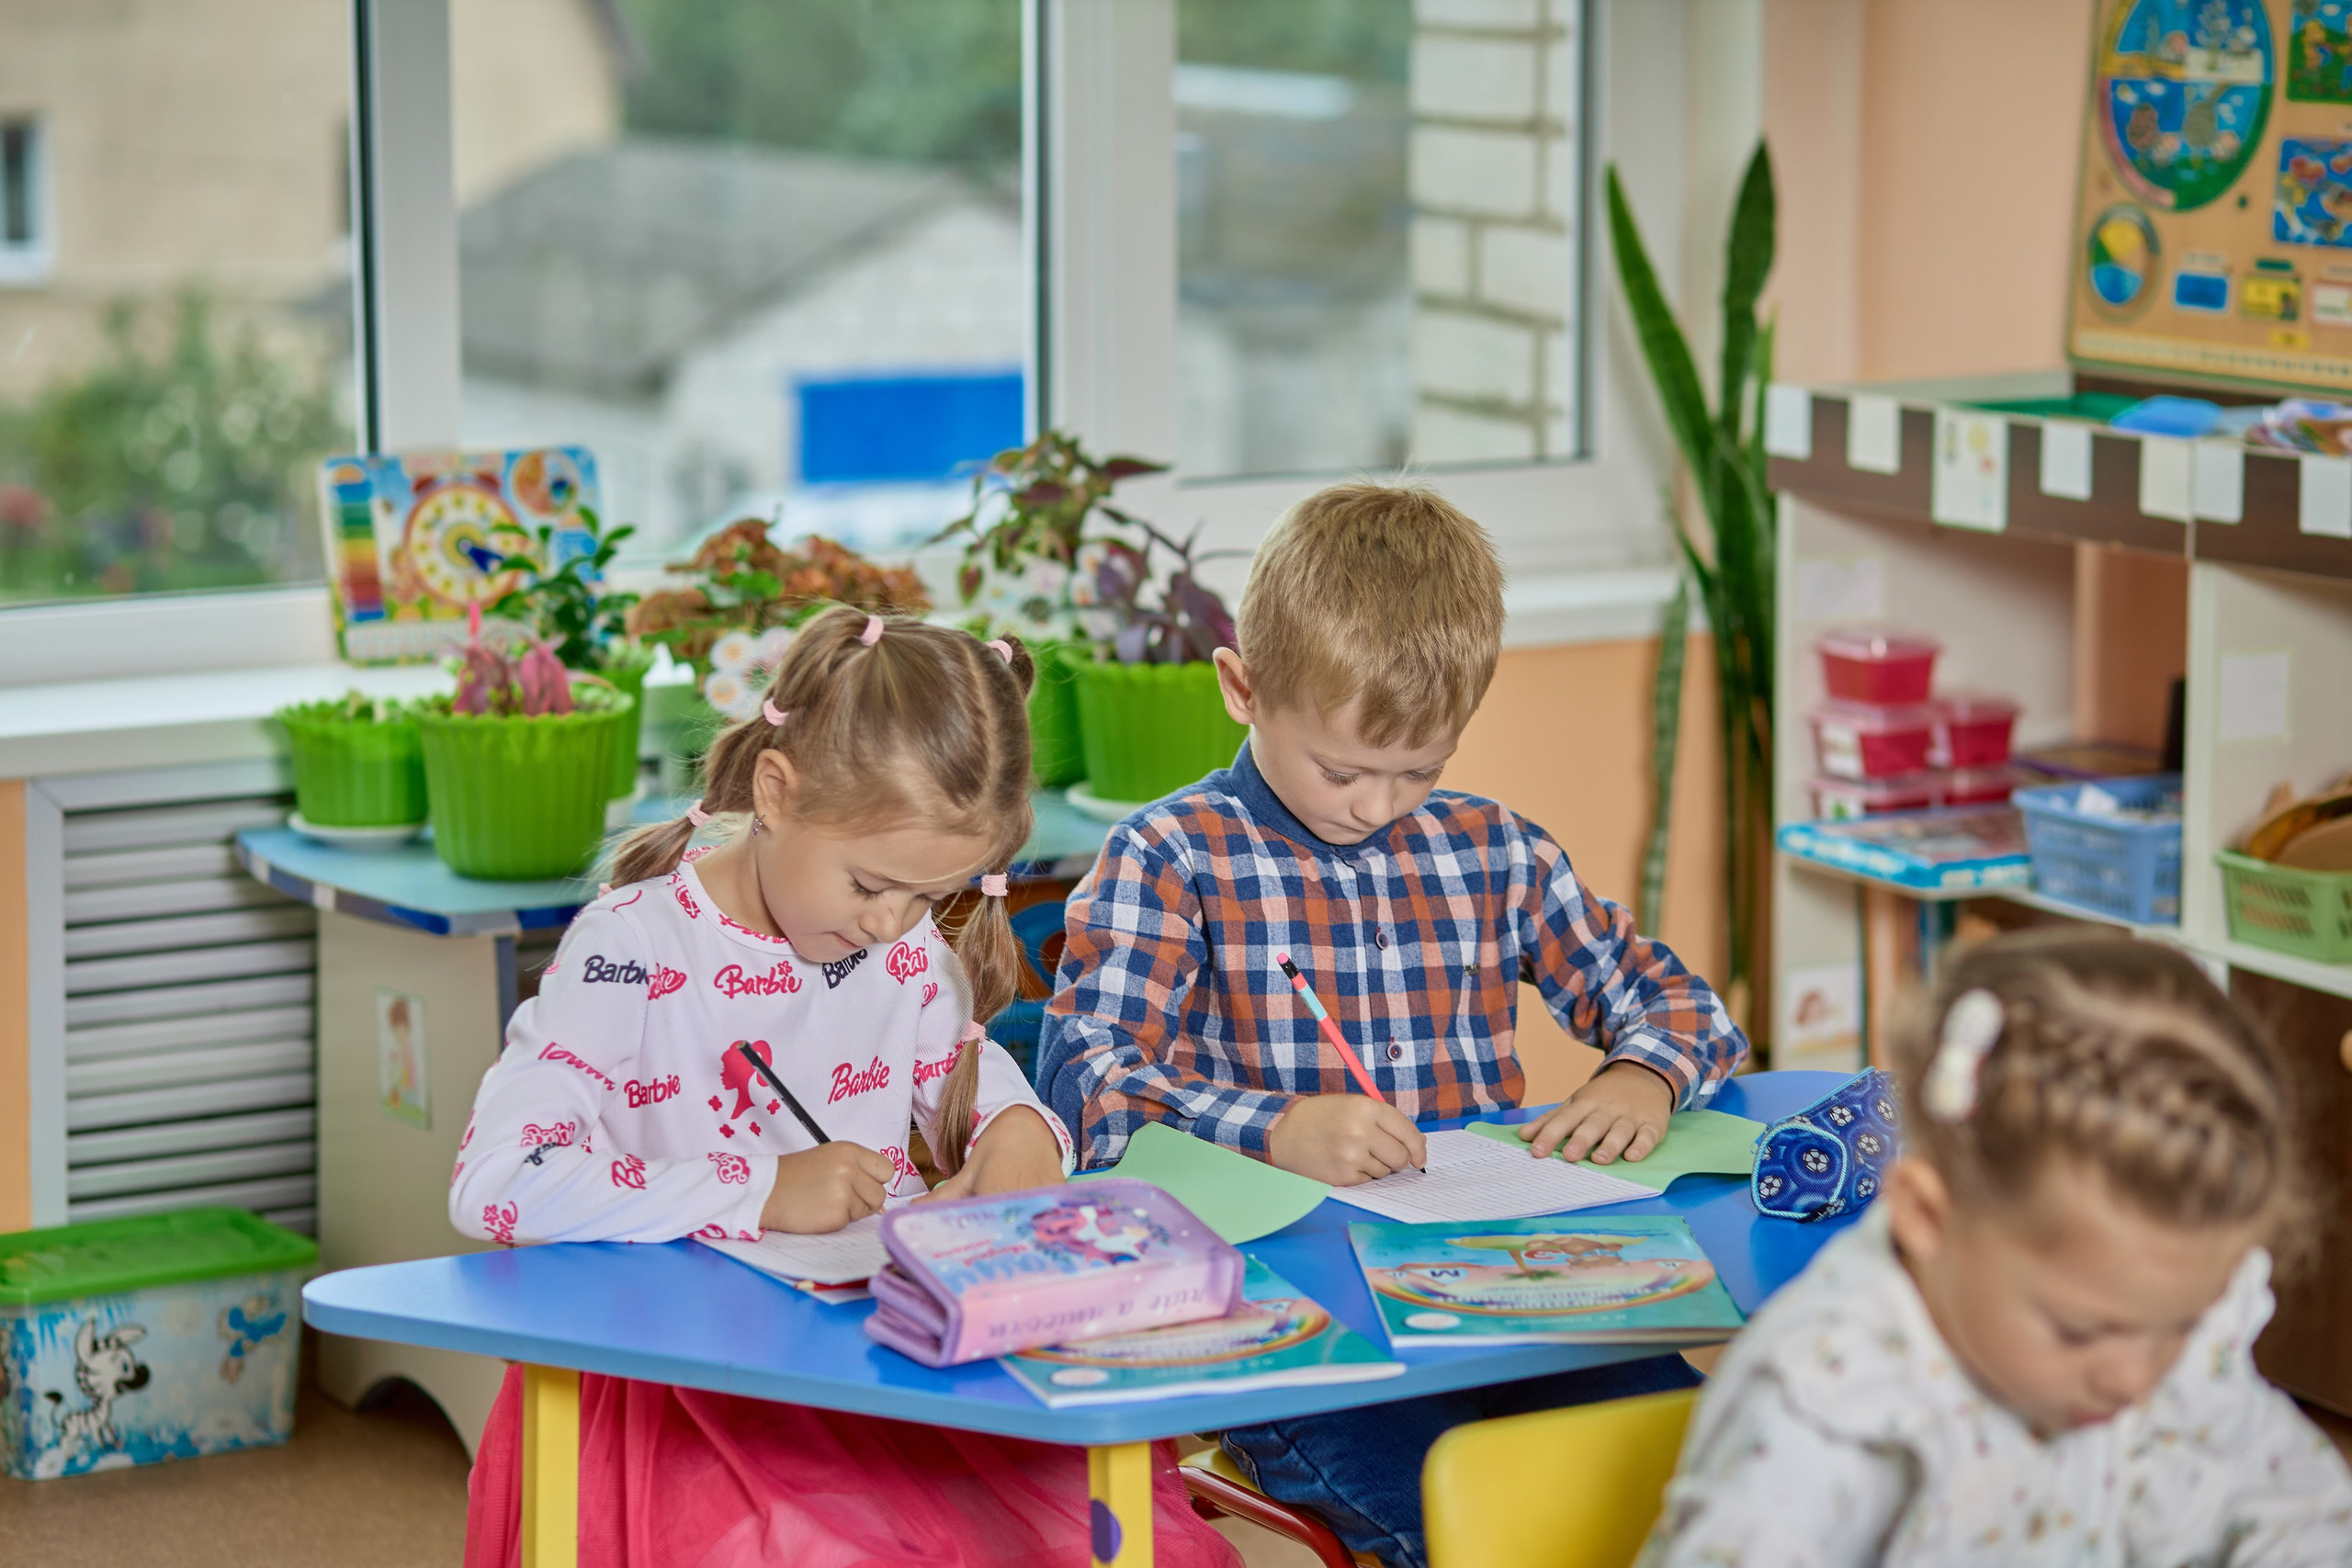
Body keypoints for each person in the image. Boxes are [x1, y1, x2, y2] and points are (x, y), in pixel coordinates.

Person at [1035, 481, 1747, 1568]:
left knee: (1687, 1489)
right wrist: (1271, 1125)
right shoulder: (1170, 856)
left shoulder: (1489, 849)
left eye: (1419, 770)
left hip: (1521, 1287)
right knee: (1479, 1529)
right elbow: (1085, 1079)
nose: (1376, 806)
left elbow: (1682, 1005)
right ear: (1242, 686)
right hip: (1301, 1322)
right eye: (1342, 770)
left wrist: (1640, 1076)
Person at [449, 606, 1239, 1568]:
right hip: (684, 1384)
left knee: (1118, 1528)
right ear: (775, 793)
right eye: (870, 887)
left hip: (871, 1358)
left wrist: (1024, 1129)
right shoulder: (630, 948)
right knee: (805, 1550)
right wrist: (761, 1189)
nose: (892, 925)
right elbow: (496, 1182)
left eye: (927, 898)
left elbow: (966, 1068)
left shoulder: (900, 947)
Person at [1639, 929, 2352, 1566]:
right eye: (2081, 1330)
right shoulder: (1824, 1403)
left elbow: (2292, 1504)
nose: (2135, 1379)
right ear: (1927, 1215)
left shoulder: (2150, 1323)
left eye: (2184, 1325)